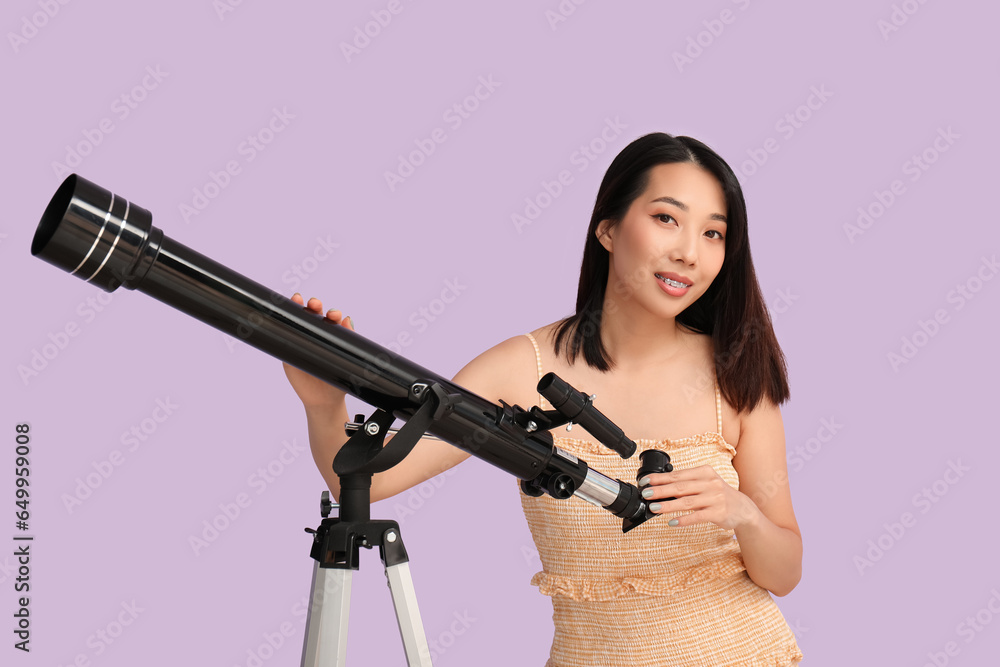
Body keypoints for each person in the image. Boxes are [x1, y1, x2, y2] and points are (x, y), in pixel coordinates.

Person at [283, 132, 804, 666]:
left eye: (713, 233)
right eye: (666, 218)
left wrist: (743, 514)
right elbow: (374, 478)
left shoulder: (735, 374)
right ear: (607, 228)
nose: (689, 253)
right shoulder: (522, 368)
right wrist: (324, 406)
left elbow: (785, 572)